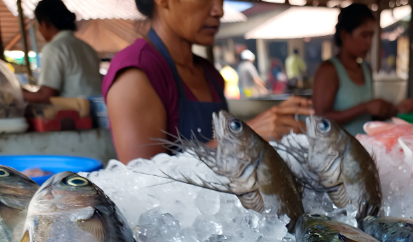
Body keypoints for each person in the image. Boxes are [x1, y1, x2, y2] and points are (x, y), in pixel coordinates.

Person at [102, 0, 311, 163]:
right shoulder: (136, 72)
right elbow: (144, 182)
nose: (219, 10)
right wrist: (243, 137)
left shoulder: (210, 74)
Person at [312, 4, 413, 135]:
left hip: (364, 150)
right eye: (364, 35)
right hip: (335, 153)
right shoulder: (329, 70)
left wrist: (394, 109)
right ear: (344, 35)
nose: (368, 42)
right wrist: (365, 107)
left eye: (371, 36)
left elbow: (368, 120)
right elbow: (320, 119)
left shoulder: (366, 70)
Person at [22, 0, 102, 103]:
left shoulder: (54, 48)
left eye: (38, 25)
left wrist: (17, 92)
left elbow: (46, 95)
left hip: (76, 115)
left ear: (45, 23)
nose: (39, 30)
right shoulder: (87, 48)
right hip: (98, 112)